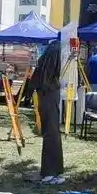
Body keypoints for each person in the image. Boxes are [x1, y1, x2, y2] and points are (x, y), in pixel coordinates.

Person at [31, 39, 64, 184]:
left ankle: (52, 171)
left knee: (52, 133)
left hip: (48, 95)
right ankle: (50, 173)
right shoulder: (55, 53)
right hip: (49, 96)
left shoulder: (50, 54)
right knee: (52, 133)